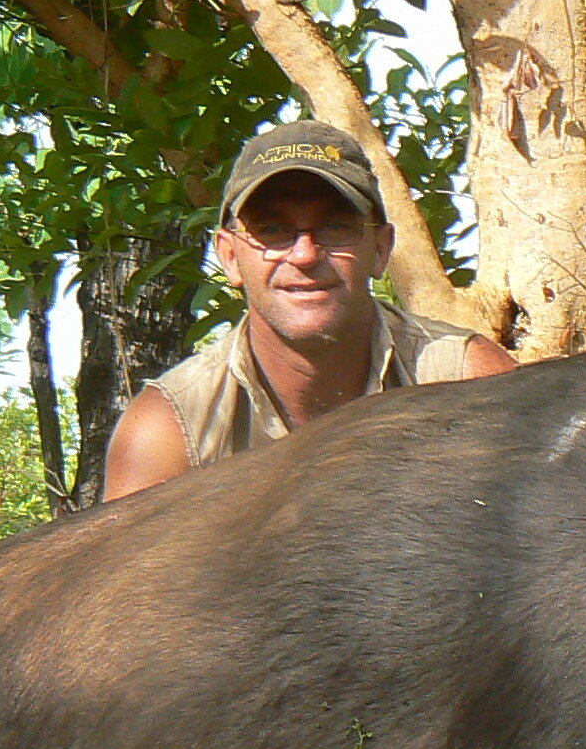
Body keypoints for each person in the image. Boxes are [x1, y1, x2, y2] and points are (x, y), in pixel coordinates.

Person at [104, 121, 514, 499]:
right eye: (272, 231)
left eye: (335, 227)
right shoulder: (171, 430)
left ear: (382, 249)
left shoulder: (468, 381)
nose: (304, 254)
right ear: (229, 256)